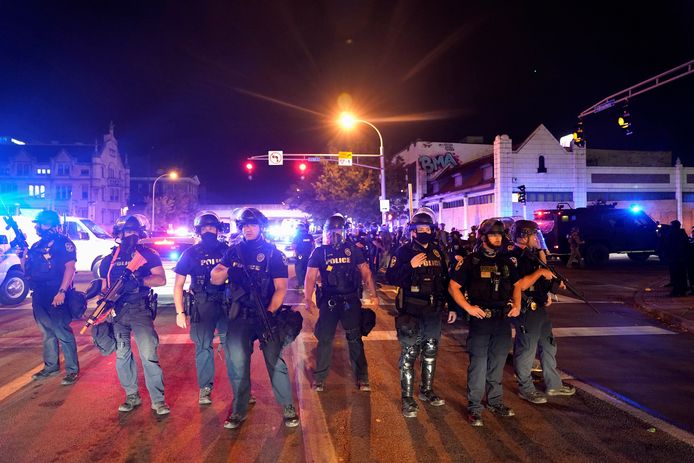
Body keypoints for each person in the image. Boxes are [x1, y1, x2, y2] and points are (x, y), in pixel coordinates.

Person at [210, 208, 299, 429]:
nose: (247, 229)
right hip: (239, 316)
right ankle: (239, 409)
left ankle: (287, 407)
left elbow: (280, 288)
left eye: (252, 225)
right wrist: (228, 270)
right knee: (237, 365)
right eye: (244, 225)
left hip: (266, 315)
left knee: (275, 362)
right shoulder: (233, 252)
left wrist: (269, 313)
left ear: (261, 226)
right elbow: (215, 279)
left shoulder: (273, 254)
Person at [448, 219, 529, 427]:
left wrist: (517, 304)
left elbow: (518, 284)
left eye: (499, 235)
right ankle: (475, 407)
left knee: (497, 364)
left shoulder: (506, 261)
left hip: (502, 320)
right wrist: (468, 308)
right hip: (481, 320)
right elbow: (453, 287)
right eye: (493, 235)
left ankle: (495, 402)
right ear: (483, 237)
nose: (497, 238)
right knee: (478, 365)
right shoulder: (471, 261)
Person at [386, 207, 456, 418]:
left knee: (431, 351)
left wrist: (451, 306)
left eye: (428, 227)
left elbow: (446, 282)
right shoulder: (403, 252)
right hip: (411, 309)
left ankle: (427, 391)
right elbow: (391, 278)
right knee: (410, 354)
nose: (424, 231)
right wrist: (410, 266)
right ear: (413, 231)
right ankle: (407, 399)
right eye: (420, 228)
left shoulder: (438, 252)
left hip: (433, 310)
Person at [99, 214, 169, 414]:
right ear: (119, 234)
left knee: (148, 355)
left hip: (140, 310)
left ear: (139, 234)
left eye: (133, 232)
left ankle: (158, 400)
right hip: (118, 311)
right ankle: (131, 396)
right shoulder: (109, 260)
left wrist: (140, 280)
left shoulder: (148, 254)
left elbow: (161, 280)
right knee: (122, 355)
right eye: (126, 232)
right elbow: (106, 286)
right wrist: (101, 296)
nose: (130, 235)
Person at [303, 213, 379, 391]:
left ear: (344, 232)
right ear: (326, 233)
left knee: (355, 339)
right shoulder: (319, 251)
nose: (334, 235)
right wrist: (308, 298)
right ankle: (320, 378)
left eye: (338, 231)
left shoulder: (352, 250)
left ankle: (363, 377)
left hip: (350, 300)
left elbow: (365, 271)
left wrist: (373, 294)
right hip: (329, 301)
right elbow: (310, 277)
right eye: (331, 231)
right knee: (325, 339)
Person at [506, 220, 576, 405]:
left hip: (540, 308)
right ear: (523, 236)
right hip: (527, 309)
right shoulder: (514, 257)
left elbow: (542, 274)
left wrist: (549, 288)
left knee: (549, 345)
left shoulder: (532, 254)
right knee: (526, 350)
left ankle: (553, 384)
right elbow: (519, 285)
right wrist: (539, 274)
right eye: (535, 235)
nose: (538, 239)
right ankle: (525, 388)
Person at [173, 211, 229, 405]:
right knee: (203, 347)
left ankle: (241, 387)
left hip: (225, 303)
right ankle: (205, 387)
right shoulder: (190, 253)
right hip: (202, 304)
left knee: (232, 346)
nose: (208, 231)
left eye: (212, 228)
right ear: (199, 231)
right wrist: (180, 312)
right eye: (205, 228)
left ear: (218, 229)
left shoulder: (227, 250)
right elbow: (178, 285)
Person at [25, 210, 79, 385]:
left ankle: (72, 370)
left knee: (61, 330)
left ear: (53, 226)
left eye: (43, 224)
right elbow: (27, 270)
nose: (38, 227)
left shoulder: (64, 244)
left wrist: (62, 291)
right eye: (38, 224)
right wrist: (22, 254)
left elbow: (70, 268)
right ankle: (50, 366)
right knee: (47, 332)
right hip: (39, 293)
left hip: (56, 291)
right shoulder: (36, 246)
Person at [665, 220, 689, 297]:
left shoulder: (674, 234)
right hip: (680, 257)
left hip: (676, 257)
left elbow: (670, 244)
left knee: (677, 274)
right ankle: (682, 290)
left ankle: (676, 291)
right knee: (681, 274)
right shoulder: (682, 233)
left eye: (671, 226)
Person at [292, 222, 315, 290]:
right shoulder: (309, 236)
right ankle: (308, 284)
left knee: (298, 269)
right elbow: (313, 245)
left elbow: (294, 246)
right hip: (309, 255)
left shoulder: (297, 236)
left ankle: (301, 285)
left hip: (300, 255)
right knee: (306, 269)